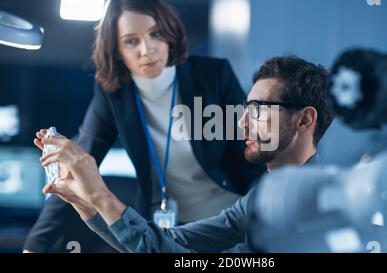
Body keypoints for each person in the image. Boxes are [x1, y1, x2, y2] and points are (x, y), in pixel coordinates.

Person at [23, 0, 265, 252]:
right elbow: (78, 165)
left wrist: (261, 219)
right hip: (166, 228)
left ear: (170, 35)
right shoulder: (114, 95)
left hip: (229, 223)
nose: (146, 50)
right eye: (131, 41)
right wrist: (35, 246)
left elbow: (253, 156)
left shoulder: (213, 75)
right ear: (116, 50)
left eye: (155, 34)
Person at [35, 55, 335, 252]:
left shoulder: (306, 204)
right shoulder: (263, 197)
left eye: (258, 109)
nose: (242, 121)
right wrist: (84, 203)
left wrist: (100, 194)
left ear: (305, 119)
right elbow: (166, 242)